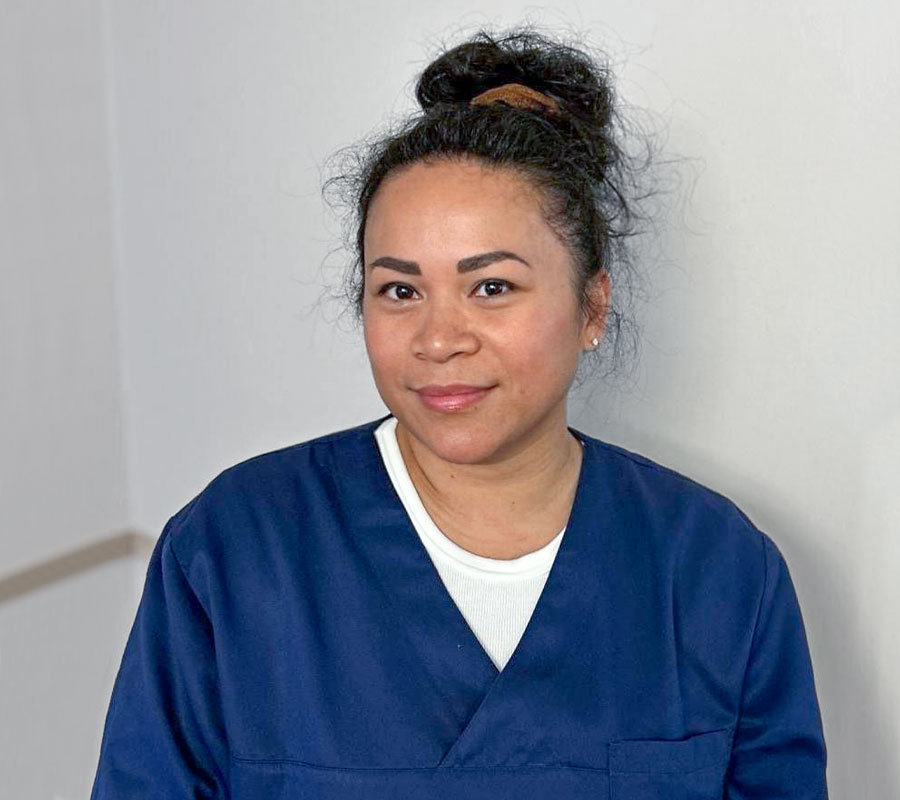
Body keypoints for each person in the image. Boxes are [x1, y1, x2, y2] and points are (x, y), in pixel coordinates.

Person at [90, 29, 828, 799]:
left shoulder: (716, 571)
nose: (439, 339)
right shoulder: (236, 550)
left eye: (492, 287)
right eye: (400, 290)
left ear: (591, 307)